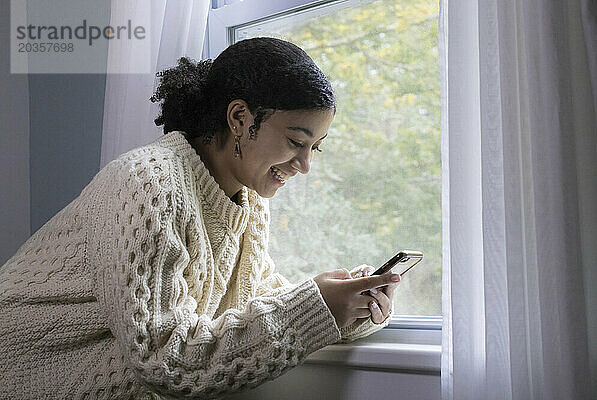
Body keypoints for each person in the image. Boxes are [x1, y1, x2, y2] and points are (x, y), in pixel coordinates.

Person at [0, 37, 401, 399]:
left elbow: (252, 300)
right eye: (297, 141)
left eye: (316, 147)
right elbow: (164, 359)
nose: (305, 164)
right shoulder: (148, 183)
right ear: (240, 118)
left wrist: (350, 307)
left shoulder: (248, 199)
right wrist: (318, 310)